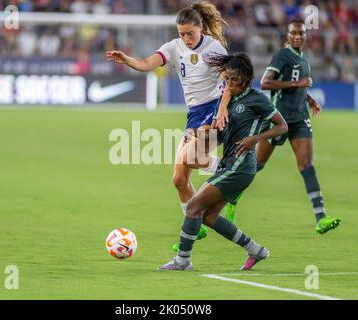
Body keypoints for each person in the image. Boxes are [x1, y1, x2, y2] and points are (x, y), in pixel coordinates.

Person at [106, 1, 234, 248]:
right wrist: (128, 60)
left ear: (200, 28)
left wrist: (223, 108)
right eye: (181, 34)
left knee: (189, 157)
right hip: (195, 114)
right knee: (178, 179)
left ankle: (228, 171)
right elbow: (146, 64)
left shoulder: (213, 46)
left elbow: (230, 80)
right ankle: (195, 228)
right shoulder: (173, 47)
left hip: (213, 108)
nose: (186, 38)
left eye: (190, 33)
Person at [159, 52, 288, 271]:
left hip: (241, 165)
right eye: (226, 80)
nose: (229, 84)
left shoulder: (257, 99)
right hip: (230, 164)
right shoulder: (227, 99)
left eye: (234, 80)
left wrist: (254, 140)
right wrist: (197, 132)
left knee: (193, 208)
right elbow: (220, 129)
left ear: (245, 79)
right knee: (209, 217)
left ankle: (182, 260)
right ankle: (255, 250)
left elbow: (282, 126)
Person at [215, 19, 341, 234]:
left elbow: (299, 86)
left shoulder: (304, 58)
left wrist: (309, 99)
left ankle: (321, 217)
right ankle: (231, 200)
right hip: (278, 117)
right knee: (258, 164)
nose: (298, 37)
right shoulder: (283, 55)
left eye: (301, 33)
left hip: (300, 118)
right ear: (288, 35)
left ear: (305, 35)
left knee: (307, 166)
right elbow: (265, 82)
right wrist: (297, 84)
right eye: (294, 33)